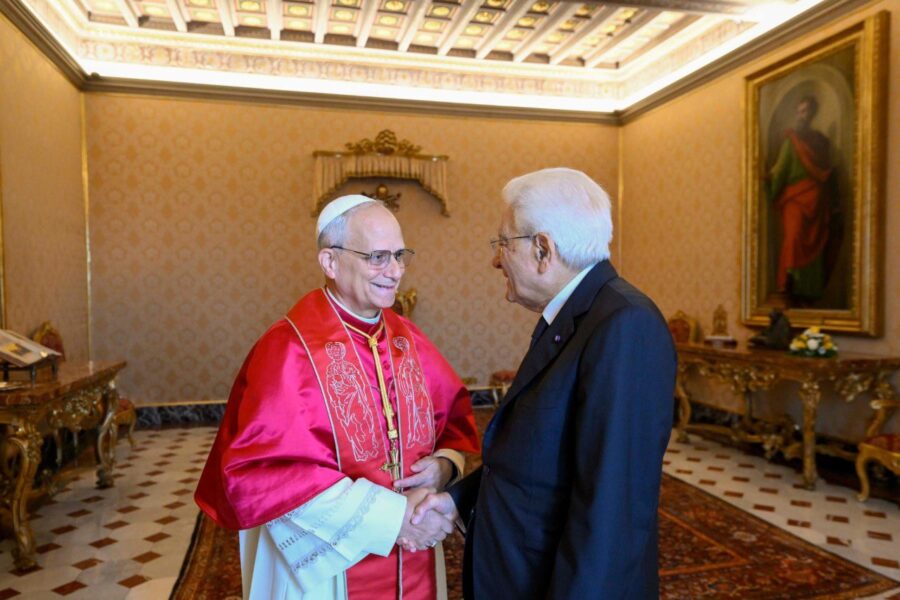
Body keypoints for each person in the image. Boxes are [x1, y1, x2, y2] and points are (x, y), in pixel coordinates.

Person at [195, 195, 480, 600]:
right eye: (378, 257)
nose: (395, 271)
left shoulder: (408, 339)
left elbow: (453, 423)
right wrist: (392, 519)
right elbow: (268, 475)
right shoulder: (288, 350)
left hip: (415, 556)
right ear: (330, 262)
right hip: (331, 571)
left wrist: (443, 468)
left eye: (400, 255)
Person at [410, 168, 677, 599]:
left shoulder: (625, 324)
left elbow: (612, 512)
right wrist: (458, 499)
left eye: (503, 244)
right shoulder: (571, 317)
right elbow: (538, 455)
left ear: (542, 249)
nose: (496, 259)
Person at [766, 94, 840, 303]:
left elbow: (781, 171)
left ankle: (807, 289)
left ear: (812, 114)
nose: (801, 116)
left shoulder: (818, 142)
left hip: (814, 198)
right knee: (794, 238)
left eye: (805, 111)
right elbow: (781, 170)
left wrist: (769, 181)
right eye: (799, 111)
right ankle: (790, 282)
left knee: (813, 242)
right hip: (796, 198)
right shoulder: (793, 141)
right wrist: (769, 180)